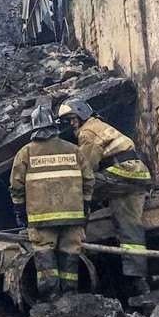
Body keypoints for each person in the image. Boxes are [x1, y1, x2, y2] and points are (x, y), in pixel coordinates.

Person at [57, 98, 152, 296]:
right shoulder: (100, 126)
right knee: (130, 228)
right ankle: (138, 283)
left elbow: (86, 168)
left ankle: (74, 233)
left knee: (78, 185)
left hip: (121, 174)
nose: (72, 124)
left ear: (82, 113)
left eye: (72, 119)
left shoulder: (88, 132)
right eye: (68, 121)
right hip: (137, 176)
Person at [10, 104, 94, 299]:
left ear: (34, 128)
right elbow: (89, 180)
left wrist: (20, 211)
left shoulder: (26, 153)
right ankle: (71, 298)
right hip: (73, 217)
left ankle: (51, 299)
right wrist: (85, 204)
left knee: (45, 256)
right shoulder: (74, 150)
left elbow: (16, 186)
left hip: (41, 220)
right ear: (54, 126)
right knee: (70, 255)